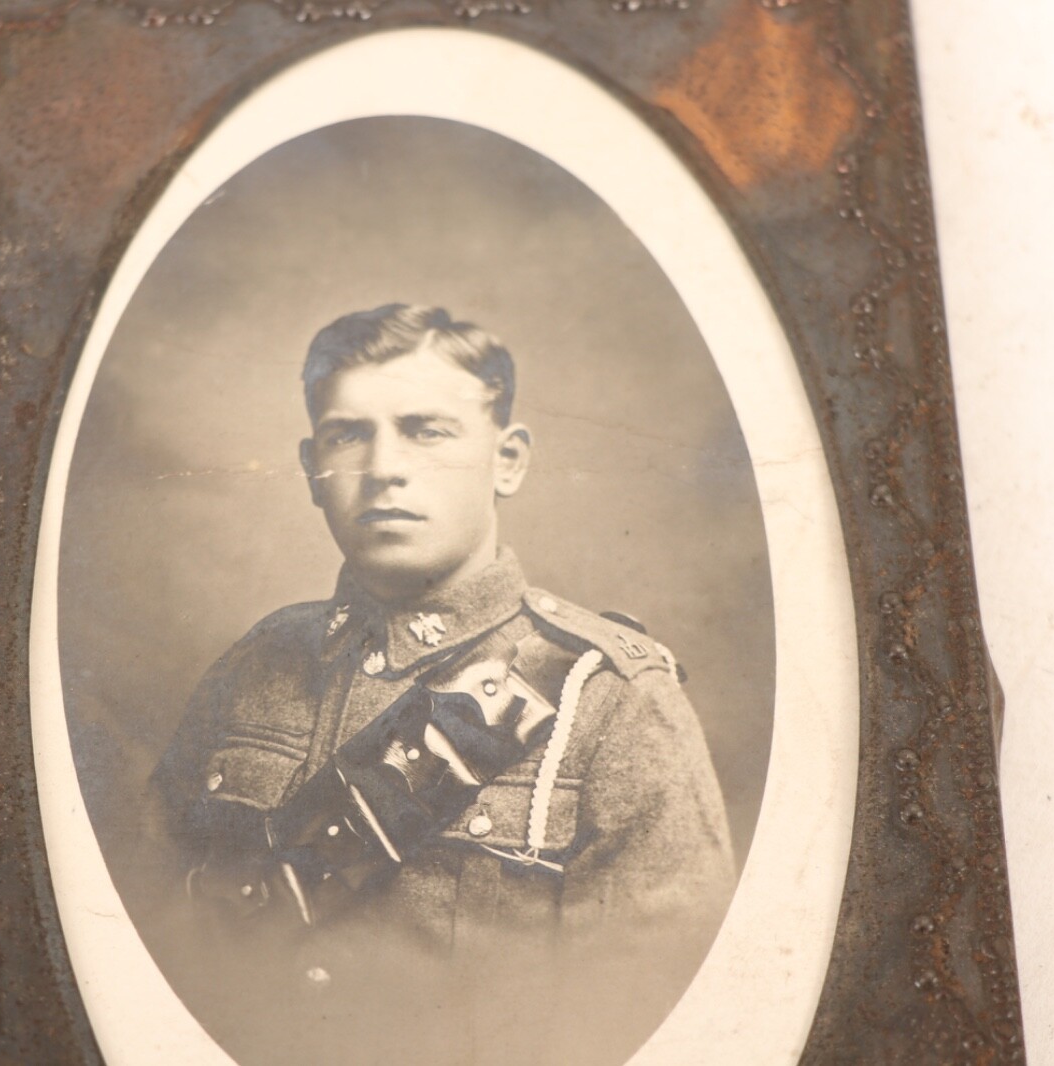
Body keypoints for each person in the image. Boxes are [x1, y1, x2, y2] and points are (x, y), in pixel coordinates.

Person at [148, 304, 736, 1066]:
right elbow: (152, 939)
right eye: (347, 433)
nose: (383, 465)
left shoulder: (613, 700)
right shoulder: (257, 664)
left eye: (427, 430)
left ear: (508, 461)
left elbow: (649, 1014)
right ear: (310, 469)